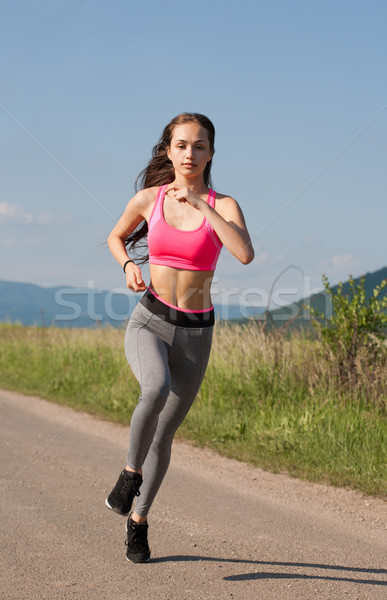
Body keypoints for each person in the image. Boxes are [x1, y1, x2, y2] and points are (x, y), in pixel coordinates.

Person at [106, 112, 254, 563]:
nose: (191, 153)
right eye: (182, 145)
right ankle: (130, 474)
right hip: (149, 320)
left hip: (194, 334)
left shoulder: (223, 205)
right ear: (168, 151)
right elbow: (115, 236)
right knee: (155, 387)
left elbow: (245, 253)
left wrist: (201, 203)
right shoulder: (149, 199)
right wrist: (129, 265)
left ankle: (139, 522)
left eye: (200, 146)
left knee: (164, 437)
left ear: (211, 153)